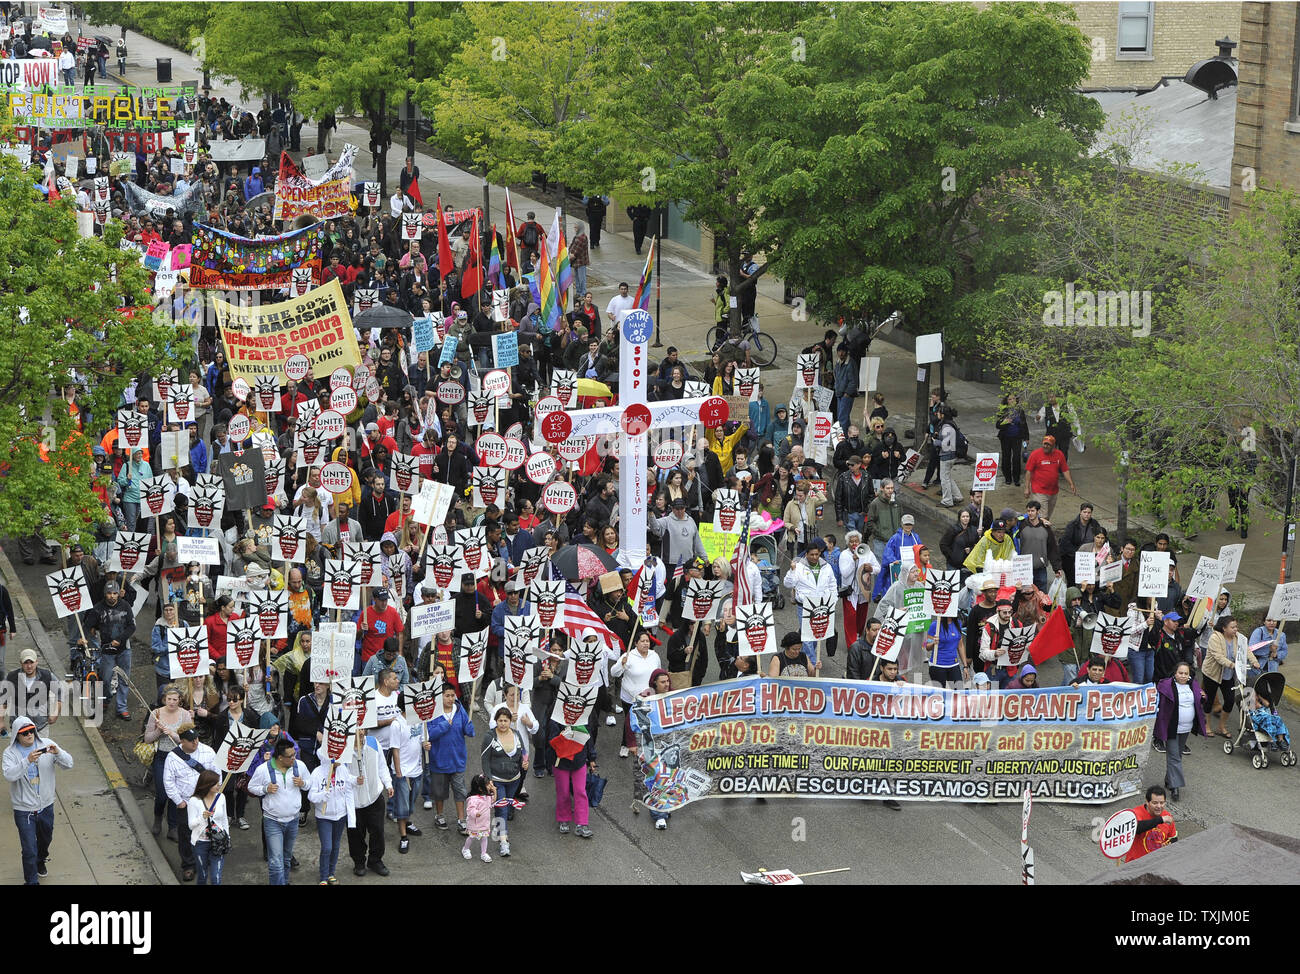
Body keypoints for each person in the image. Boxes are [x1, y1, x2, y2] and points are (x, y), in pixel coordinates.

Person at [3, 716, 74, 885]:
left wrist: (58, 753)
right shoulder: (10, 753)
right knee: (29, 849)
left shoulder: (47, 744)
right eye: (24, 733)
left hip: (46, 806)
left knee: (45, 840)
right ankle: (31, 881)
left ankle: (41, 859)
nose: (29, 735)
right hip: (24, 810)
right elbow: (9, 775)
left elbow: (69, 764)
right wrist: (27, 761)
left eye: (31, 731)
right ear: (16, 736)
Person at [247, 738, 308, 886]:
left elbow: (309, 784)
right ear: (280, 757)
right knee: (275, 862)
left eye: (295, 754)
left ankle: (284, 882)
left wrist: (303, 783)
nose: (295, 758)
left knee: (286, 859)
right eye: (291, 756)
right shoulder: (263, 769)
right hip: (273, 821)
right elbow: (251, 787)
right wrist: (265, 789)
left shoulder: (299, 766)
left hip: (293, 820)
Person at [163, 724, 217, 882]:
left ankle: (206, 860)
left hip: (206, 800)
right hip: (186, 803)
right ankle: (188, 865)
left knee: (207, 831)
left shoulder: (208, 751)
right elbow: (168, 782)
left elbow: (216, 773)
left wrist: (214, 795)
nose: (196, 742)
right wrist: (179, 802)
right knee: (186, 835)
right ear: (182, 741)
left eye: (197, 738)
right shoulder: (173, 758)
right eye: (191, 740)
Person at [1152, 662, 1206, 801]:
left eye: (1186, 673)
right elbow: (1155, 700)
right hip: (1171, 727)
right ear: (1175, 673)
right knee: (1175, 757)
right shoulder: (1165, 685)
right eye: (1180, 673)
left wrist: (1203, 697)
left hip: (1186, 728)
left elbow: (1199, 701)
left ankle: (1169, 779)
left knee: (1177, 756)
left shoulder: (1193, 685)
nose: (1183, 676)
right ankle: (1175, 788)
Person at [426, 683, 474, 833]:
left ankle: (461, 819)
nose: (451, 699)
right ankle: (439, 815)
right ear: (440, 697)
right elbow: (428, 734)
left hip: (457, 760)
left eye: (453, 695)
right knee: (439, 792)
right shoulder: (432, 712)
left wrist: (469, 728)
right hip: (439, 760)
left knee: (460, 791)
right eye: (447, 695)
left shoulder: (460, 710)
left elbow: (469, 731)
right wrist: (444, 726)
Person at [307, 742, 357, 885]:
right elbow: (311, 796)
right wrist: (323, 795)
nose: (342, 760)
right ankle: (323, 876)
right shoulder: (317, 773)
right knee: (327, 847)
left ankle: (331, 873)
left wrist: (356, 781)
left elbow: (348, 785)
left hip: (340, 815)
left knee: (335, 846)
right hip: (324, 817)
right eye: (338, 757)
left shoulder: (343, 770)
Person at [348, 725, 394, 877]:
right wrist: (353, 780)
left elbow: (382, 765)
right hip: (354, 802)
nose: (361, 733)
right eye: (357, 730)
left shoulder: (373, 742)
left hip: (374, 797)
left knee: (378, 832)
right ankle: (359, 862)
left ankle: (375, 861)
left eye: (362, 729)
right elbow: (339, 774)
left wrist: (388, 784)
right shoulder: (343, 749)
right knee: (355, 834)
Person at [481, 707, 527, 857]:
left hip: (514, 779)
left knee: (505, 806)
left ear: (510, 721)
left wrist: (525, 763)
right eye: (500, 720)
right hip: (497, 780)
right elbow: (485, 759)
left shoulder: (517, 734)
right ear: (496, 721)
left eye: (505, 720)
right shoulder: (490, 736)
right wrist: (489, 781)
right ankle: (504, 842)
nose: (502, 723)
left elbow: (523, 753)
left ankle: (498, 828)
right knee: (502, 809)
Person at [1, 649, 59, 736]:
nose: (29, 666)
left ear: (36, 662)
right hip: (19, 728)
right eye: (26, 663)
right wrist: (1, 721)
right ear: (21, 663)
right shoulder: (11, 677)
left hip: (40, 727)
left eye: (31, 662)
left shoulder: (47, 676)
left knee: (41, 749)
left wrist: (55, 712)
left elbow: (60, 692)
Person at [188, 769, 229, 886]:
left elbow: (224, 819)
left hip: (218, 842)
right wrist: (203, 817)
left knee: (216, 878)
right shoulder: (194, 801)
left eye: (219, 783)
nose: (219, 785)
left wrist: (228, 837)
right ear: (207, 785)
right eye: (216, 783)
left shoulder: (221, 797)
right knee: (203, 876)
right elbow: (191, 825)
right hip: (200, 843)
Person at [1023, 435, 1076, 521]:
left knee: (1047, 516)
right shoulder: (1035, 454)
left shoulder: (1059, 455)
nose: (1046, 446)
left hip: (1053, 491)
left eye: (1048, 445)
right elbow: (1028, 471)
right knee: (1042, 516)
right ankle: (1040, 533)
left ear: (1053, 446)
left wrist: (1071, 484)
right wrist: (1027, 488)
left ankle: (1041, 530)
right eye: (1044, 444)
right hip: (1039, 491)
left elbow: (1065, 470)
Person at [1122, 786, 1177, 863]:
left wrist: (1168, 846)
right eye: (1155, 803)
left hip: (1157, 864)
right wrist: (1161, 820)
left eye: (1162, 803)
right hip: (1135, 864)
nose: (1159, 806)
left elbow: (1173, 838)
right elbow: (1136, 828)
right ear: (1147, 802)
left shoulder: (1168, 817)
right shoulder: (1135, 813)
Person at [461, 773, 496, 862]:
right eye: (488, 784)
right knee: (471, 837)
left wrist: (494, 790)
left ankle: (483, 853)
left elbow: (493, 800)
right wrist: (476, 813)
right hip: (475, 824)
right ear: (480, 789)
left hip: (484, 823)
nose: (490, 786)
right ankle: (465, 849)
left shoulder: (487, 796)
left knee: (484, 838)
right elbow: (470, 810)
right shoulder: (473, 799)